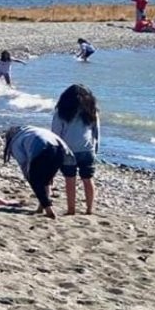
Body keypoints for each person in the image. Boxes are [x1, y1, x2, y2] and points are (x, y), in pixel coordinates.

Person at [2, 126, 72, 219]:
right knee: (46, 180)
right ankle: (41, 206)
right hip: (61, 148)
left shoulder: (15, 141)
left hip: (42, 148)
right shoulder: (30, 130)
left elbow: (23, 162)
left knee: (36, 181)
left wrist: (29, 177)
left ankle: (48, 209)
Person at [50, 84, 100, 215]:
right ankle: (89, 209)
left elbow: (55, 134)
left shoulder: (61, 112)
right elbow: (96, 133)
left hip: (68, 150)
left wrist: (55, 152)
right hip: (87, 149)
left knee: (70, 180)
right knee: (88, 180)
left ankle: (71, 209)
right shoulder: (92, 111)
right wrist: (95, 150)